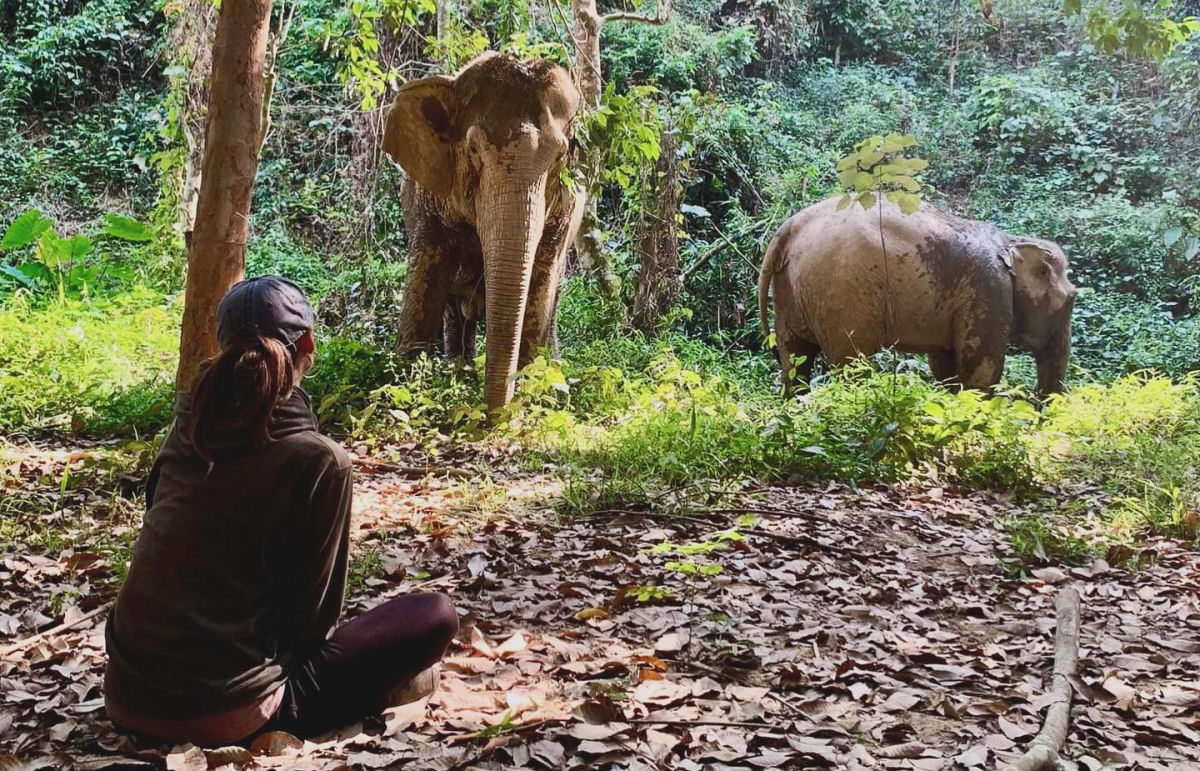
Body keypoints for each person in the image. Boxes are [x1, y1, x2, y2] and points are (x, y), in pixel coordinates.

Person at [104, 276, 458, 746]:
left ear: (223, 345)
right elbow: (311, 624)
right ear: (307, 343)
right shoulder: (320, 460)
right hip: (227, 712)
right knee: (434, 614)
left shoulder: (185, 428)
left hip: (126, 695)